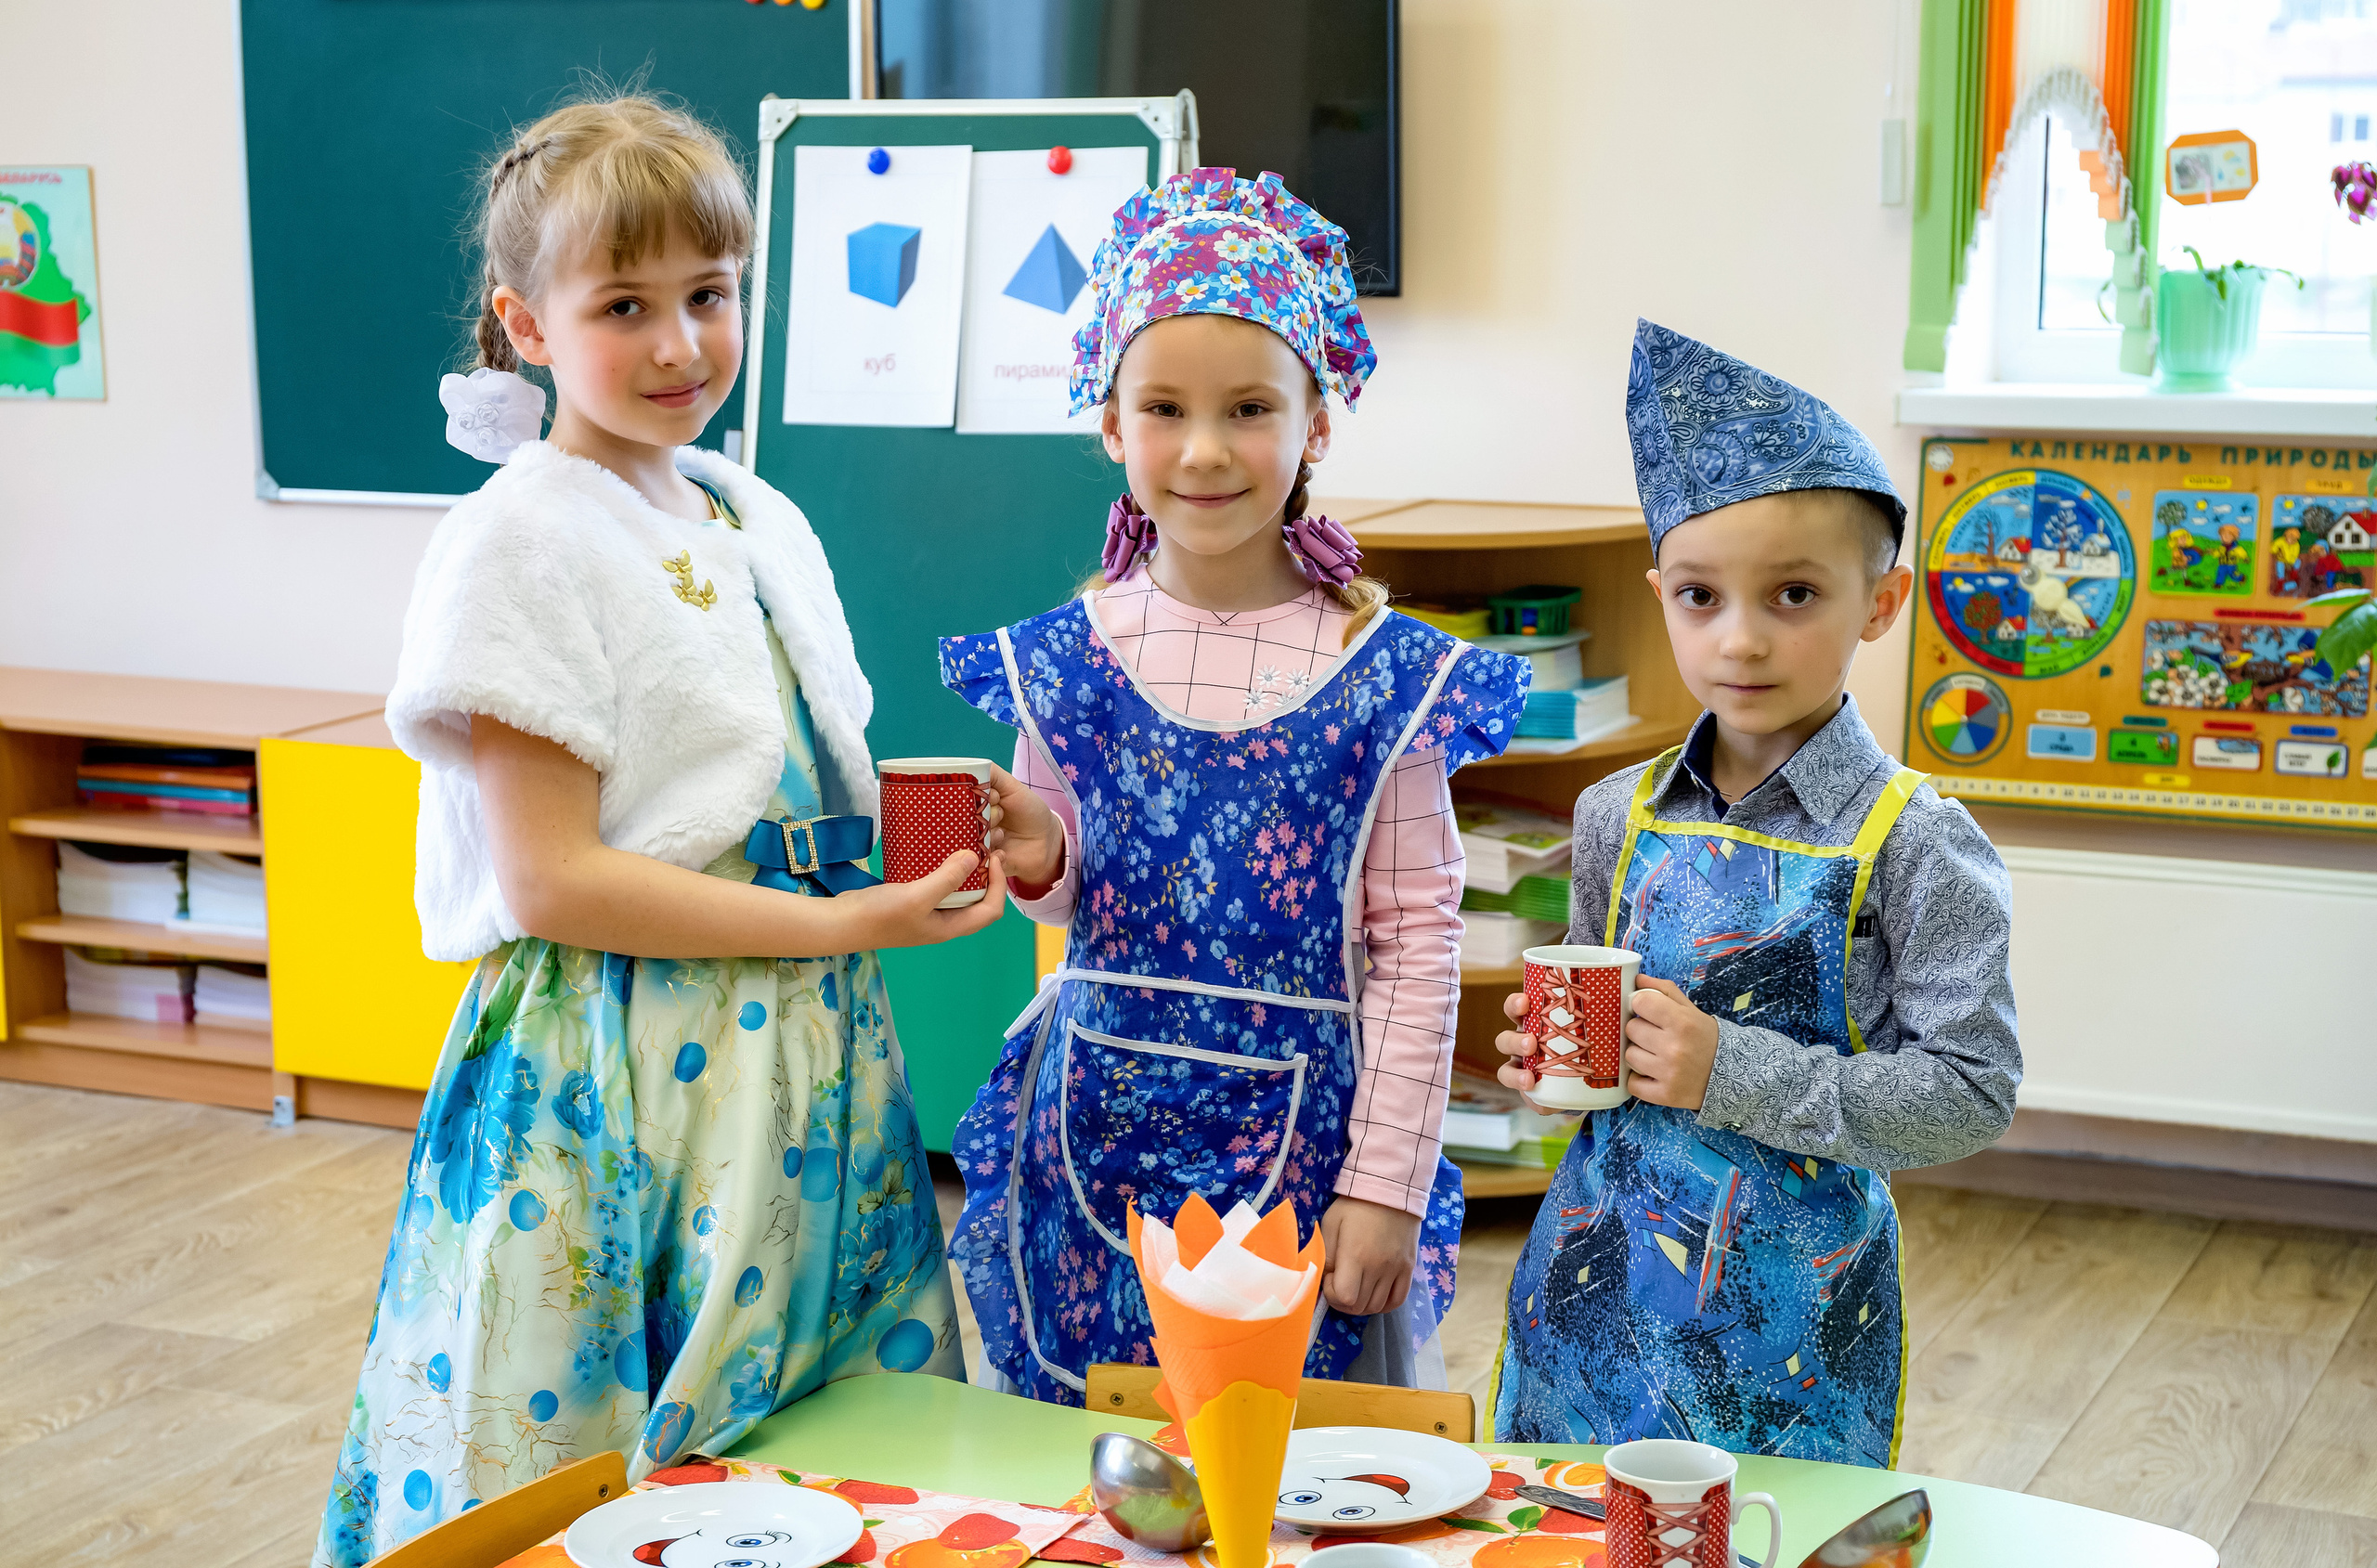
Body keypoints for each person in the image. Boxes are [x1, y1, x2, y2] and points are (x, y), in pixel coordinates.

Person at [315, 97, 999, 1567]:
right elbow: (553, 878)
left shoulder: (749, 511)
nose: (683, 343)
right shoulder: (519, 538)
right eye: (624, 306)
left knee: (819, 1433)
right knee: (613, 1464)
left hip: (806, 1046)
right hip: (629, 1062)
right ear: (525, 325)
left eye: (710, 293)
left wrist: (921, 835)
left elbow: (757, 775)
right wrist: (837, 923)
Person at [937, 168, 1530, 1403]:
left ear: (1315, 424)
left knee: (1293, 1466)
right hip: (1088, 1142)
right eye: (1164, 408)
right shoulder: (1066, 657)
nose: (1204, 449)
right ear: (1112, 426)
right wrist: (1044, 856)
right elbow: (1069, 906)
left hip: (1305, 1154)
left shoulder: (1386, 677)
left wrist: (1385, 1186)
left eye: (1249, 407)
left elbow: (1419, 946)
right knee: (1084, 1461)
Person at [1487, 320, 2020, 1467]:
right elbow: (1597, 1053)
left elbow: (1970, 1092)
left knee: (1767, 1535)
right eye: (1698, 596)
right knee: (1563, 1524)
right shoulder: (1612, 814)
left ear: (1881, 602)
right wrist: (1550, 1061)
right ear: (1659, 594)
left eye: (1792, 595)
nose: (1739, 641)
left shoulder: (1917, 842)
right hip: (1592, 1292)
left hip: (1792, 1328)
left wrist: (1725, 1070)